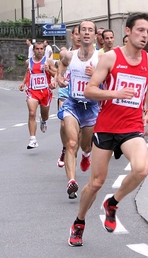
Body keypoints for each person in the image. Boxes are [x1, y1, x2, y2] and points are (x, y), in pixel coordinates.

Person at [67, 12, 148, 247]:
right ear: (127, 32)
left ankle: (113, 203)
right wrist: (114, 93)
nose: (144, 35)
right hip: (106, 127)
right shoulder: (109, 58)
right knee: (96, 183)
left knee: (141, 169)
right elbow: (90, 90)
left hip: (131, 128)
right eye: (140, 30)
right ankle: (79, 221)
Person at [55, 20, 103, 200]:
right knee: (71, 143)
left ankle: (86, 154)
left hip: (91, 107)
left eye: (90, 30)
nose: (86, 33)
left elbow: (108, 79)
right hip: (73, 104)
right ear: (79, 34)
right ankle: (71, 182)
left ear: (94, 35)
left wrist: (95, 75)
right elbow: (62, 66)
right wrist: (59, 78)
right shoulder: (69, 55)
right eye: (83, 30)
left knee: (85, 145)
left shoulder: (101, 58)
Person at [18, 42, 57, 149]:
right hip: (32, 91)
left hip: (45, 92)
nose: (39, 51)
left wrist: (49, 72)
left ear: (44, 50)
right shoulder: (29, 62)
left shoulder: (48, 61)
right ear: (33, 50)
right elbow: (28, 72)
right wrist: (23, 83)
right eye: (37, 49)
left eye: (41, 49)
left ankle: (43, 121)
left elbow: (57, 73)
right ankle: (33, 139)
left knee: (45, 115)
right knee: (31, 113)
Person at [57, 26, 82, 168]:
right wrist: (58, 77)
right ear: (72, 36)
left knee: (79, 128)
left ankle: (74, 149)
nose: (79, 37)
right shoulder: (65, 53)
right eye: (76, 34)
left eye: (81, 34)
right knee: (63, 123)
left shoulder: (89, 53)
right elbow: (61, 65)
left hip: (81, 92)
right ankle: (65, 148)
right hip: (66, 91)